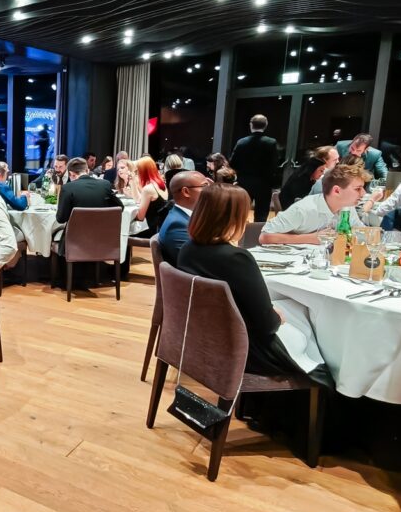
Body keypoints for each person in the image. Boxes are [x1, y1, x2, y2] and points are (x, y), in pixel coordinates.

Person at [178, 183, 330, 385]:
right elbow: (267, 325)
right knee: (316, 336)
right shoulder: (237, 259)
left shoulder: (187, 250)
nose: (248, 220)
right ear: (233, 218)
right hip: (249, 349)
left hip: (209, 338)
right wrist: (275, 316)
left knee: (293, 313)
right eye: (244, 215)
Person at [259, 164, 374, 245]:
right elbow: (264, 237)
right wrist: (310, 238)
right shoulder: (303, 209)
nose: (364, 193)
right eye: (358, 189)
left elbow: (362, 233)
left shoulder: (347, 208)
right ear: (336, 191)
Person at [229, 114, 278, 222]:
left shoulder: (241, 142)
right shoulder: (271, 142)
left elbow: (232, 163)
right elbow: (273, 165)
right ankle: (257, 232)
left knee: (240, 212)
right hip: (264, 183)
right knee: (261, 214)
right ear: (266, 125)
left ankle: (239, 231)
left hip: (244, 182)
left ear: (251, 125)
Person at [158, 171, 212, 266]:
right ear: (186, 192)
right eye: (205, 186)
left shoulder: (184, 216)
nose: (211, 190)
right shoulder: (177, 225)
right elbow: (197, 264)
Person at [55, 157, 123, 230]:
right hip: (103, 233)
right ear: (87, 171)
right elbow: (120, 207)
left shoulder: (67, 188)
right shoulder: (105, 185)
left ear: (71, 173)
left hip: (76, 235)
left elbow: (61, 219)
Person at [134, 156, 169, 235]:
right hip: (162, 227)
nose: (136, 174)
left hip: (152, 230)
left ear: (142, 172)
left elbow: (140, 217)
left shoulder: (148, 189)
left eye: (137, 171)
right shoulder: (162, 184)